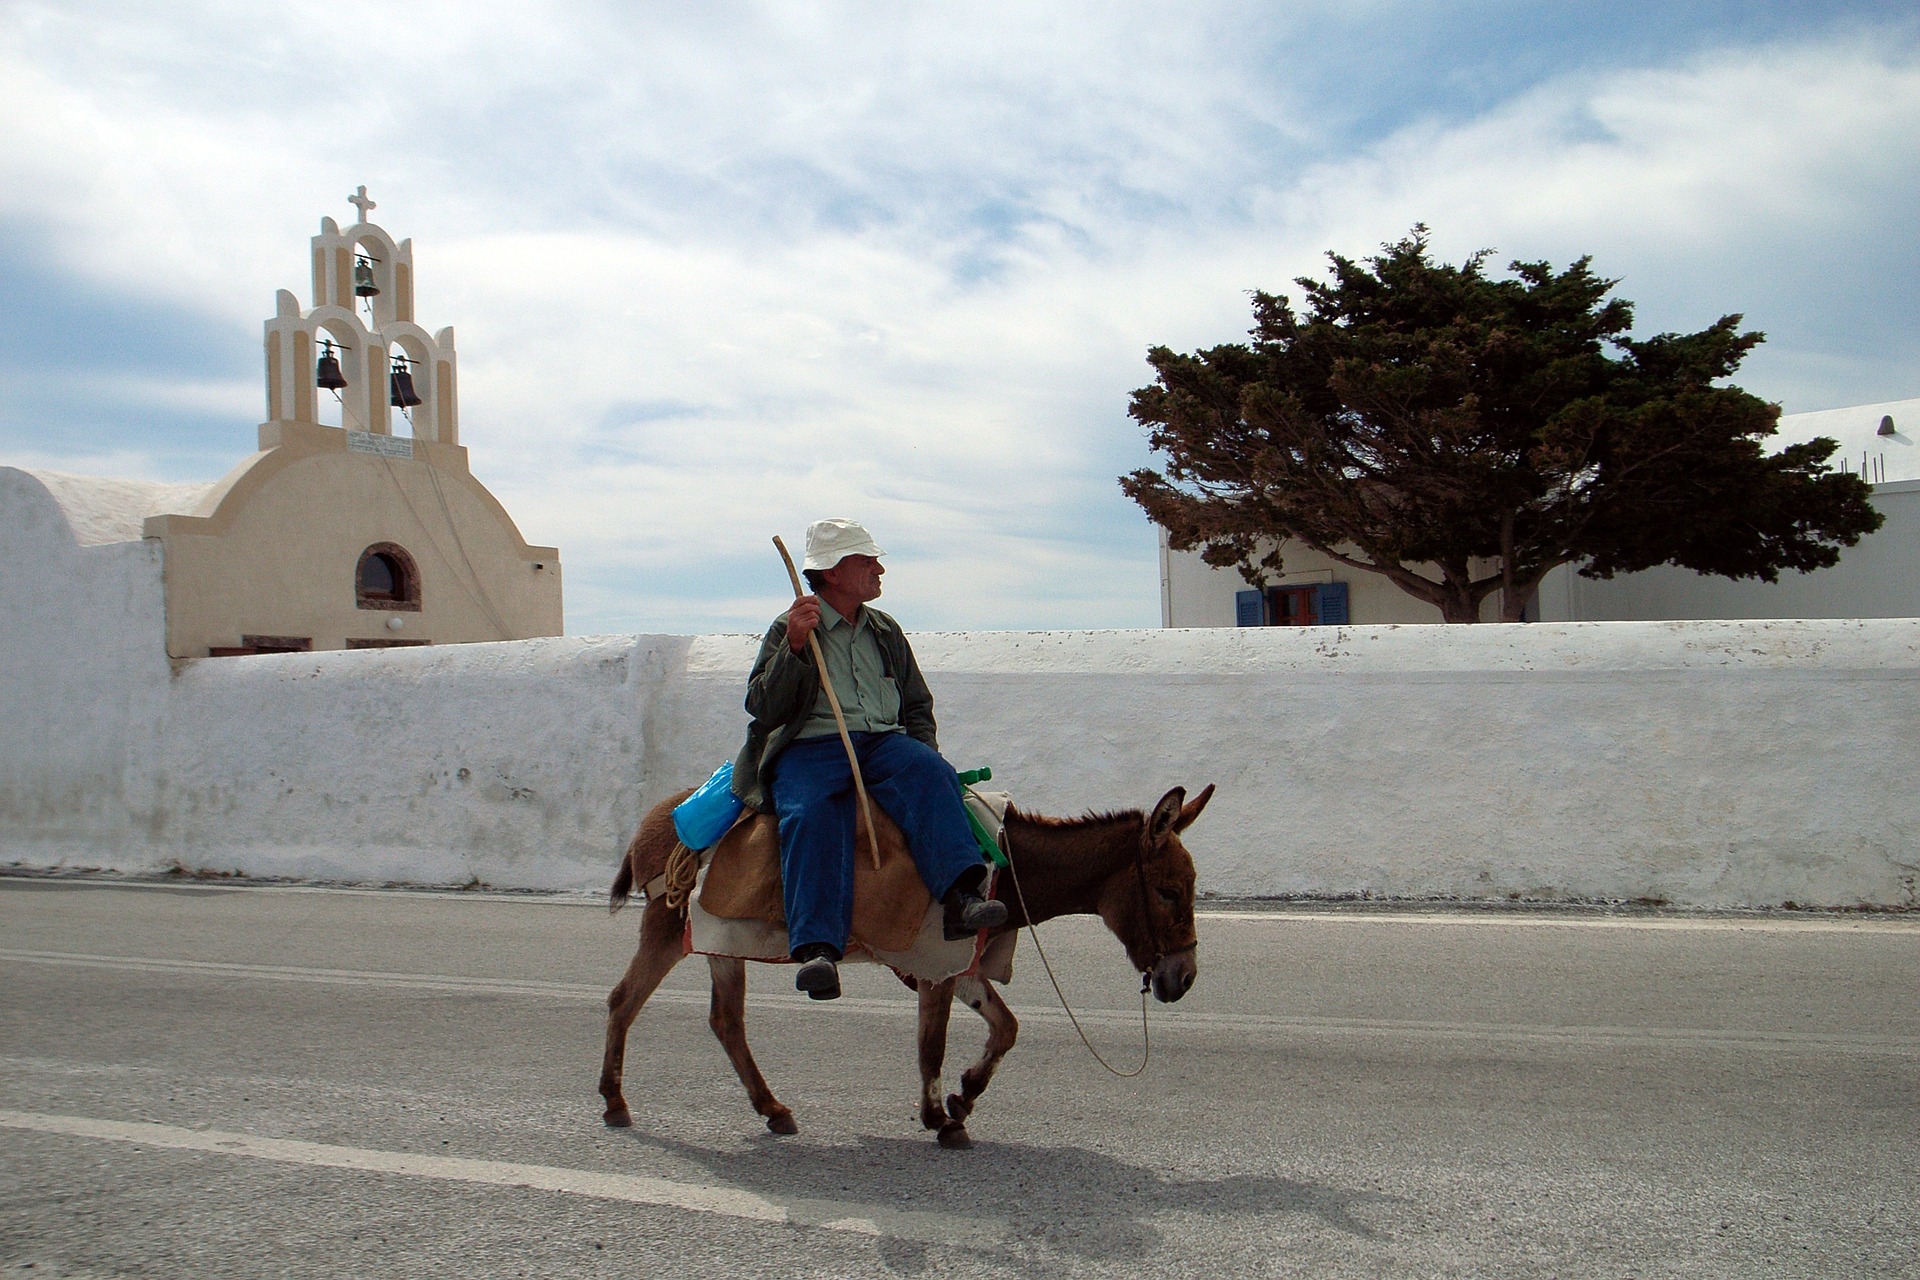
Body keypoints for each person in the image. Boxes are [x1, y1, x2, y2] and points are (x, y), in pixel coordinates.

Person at [731, 518, 1007, 1000]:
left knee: (931, 773)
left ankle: (962, 899)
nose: (879, 569)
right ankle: (817, 949)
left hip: (882, 744)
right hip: (811, 747)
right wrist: (795, 647)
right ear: (834, 572)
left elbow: (916, 703)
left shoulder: (883, 629)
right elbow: (763, 706)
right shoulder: (790, 627)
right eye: (867, 561)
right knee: (810, 812)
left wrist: (923, 750)